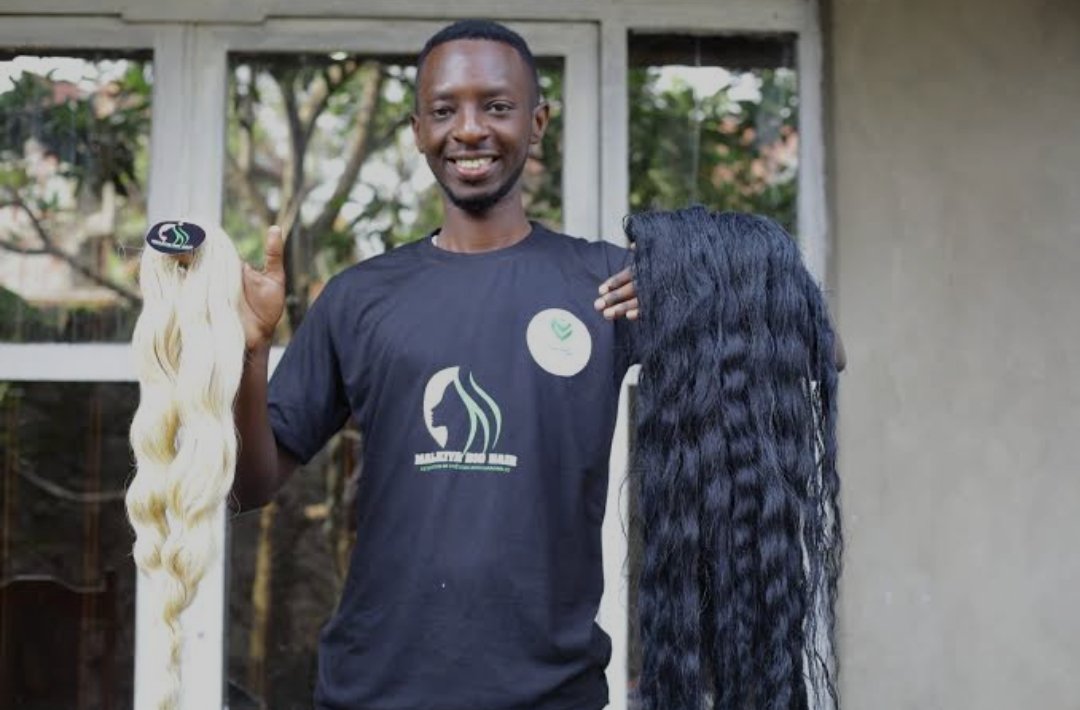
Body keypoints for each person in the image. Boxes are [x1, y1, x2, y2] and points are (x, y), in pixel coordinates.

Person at [232, 19, 640, 710]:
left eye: (498, 106)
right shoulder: (361, 297)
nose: (471, 129)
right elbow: (249, 486)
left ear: (537, 121)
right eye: (445, 110)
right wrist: (249, 353)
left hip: (550, 693)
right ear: (418, 128)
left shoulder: (607, 283)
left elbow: (821, 351)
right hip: (376, 689)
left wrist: (699, 283)